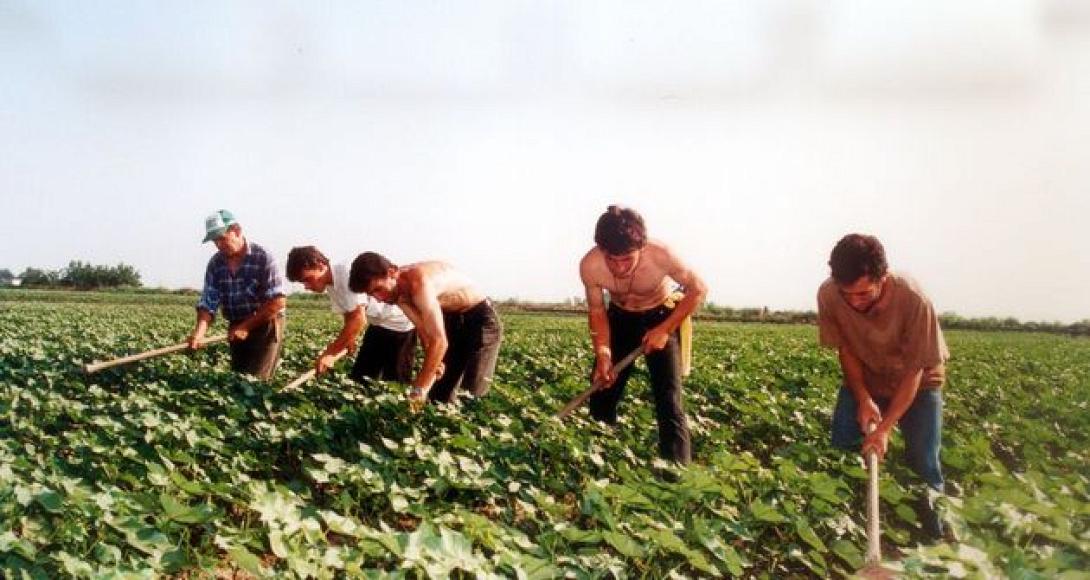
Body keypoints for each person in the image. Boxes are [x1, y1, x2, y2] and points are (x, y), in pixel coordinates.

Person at [817, 233, 949, 540]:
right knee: (843, 448)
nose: (854, 301)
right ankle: (841, 531)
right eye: (846, 293)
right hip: (866, 373)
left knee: (924, 461)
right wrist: (863, 397)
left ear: (883, 278)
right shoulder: (828, 295)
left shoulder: (913, 299)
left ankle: (934, 539)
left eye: (863, 294)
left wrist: (885, 428)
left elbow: (915, 369)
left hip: (918, 381)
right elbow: (846, 350)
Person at [578, 205, 707, 464]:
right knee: (603, 391)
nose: (619, 268)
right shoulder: (590, 265)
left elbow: (698, 289)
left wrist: (664, 330)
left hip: (661, 317)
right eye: (611, 260)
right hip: (619, 319)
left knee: (668, 401)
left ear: (641, 247)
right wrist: (603, 354)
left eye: (627, 259)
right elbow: (597, 311)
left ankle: (677, 473)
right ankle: (598, 464)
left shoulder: (662, 255)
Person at [348, 252, 502, 409]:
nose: (379, 299)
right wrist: (435, 360)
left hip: (479, 320)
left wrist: (418, 390)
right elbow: (423, 328)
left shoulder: (418, 283)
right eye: (372, 294)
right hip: (451, 320)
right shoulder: (397, 295)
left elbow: (439, 341)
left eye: (378, 289)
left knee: (471, 394)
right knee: (440, 397)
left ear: (392, 272)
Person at [285, 246, 416, 383]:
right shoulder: (330, 285)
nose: (306, 286)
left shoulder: (345, 273)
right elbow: (349, 313)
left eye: (308, 279)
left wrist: (331, 353)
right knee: (361, 379)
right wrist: (349, 340)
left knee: (396, 383)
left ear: (320, 265)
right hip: (377, 326)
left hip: (400, 327)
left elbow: (358, 319)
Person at [188, 210, 286, 379]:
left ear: (237, 230)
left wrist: (246, 326)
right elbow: (208, 303)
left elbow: (277, 302)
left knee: (256, 381)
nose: (218, 245)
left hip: (265, 324)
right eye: (215, 241)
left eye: (222, 238)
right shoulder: (215, 263)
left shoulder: (263, 257)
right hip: (235, 325)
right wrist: (199, 333)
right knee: (238, 379)